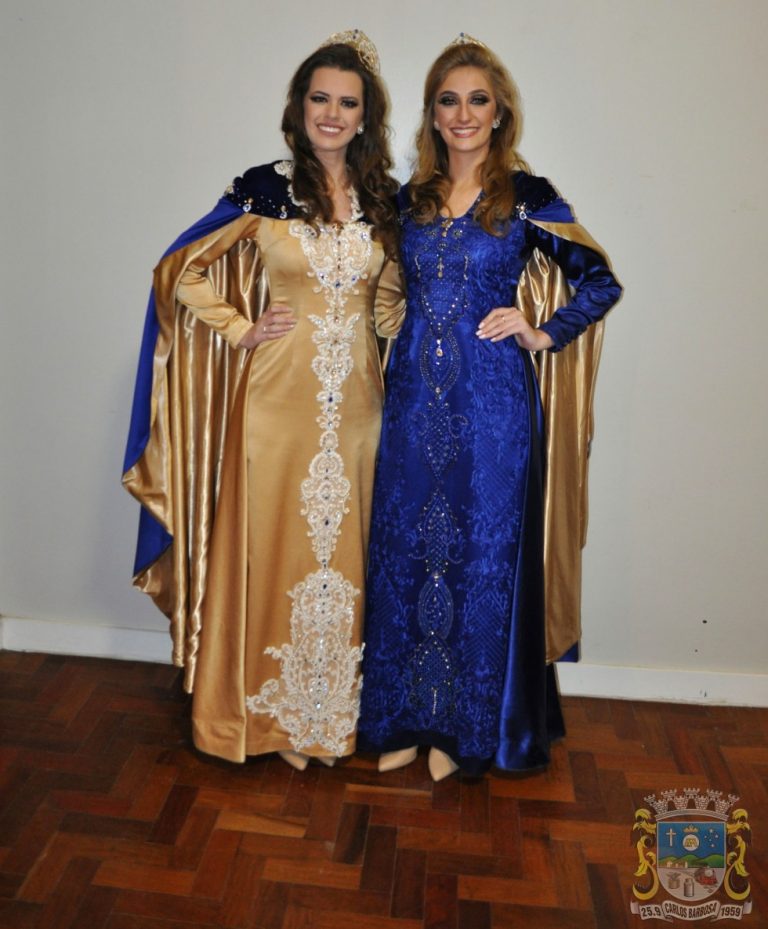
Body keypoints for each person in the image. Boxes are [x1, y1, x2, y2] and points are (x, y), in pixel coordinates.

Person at [122, 31, 404, 769]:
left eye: (348, 103)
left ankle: (327, 717)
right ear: (300, 106)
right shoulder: (264, 187)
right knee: (268, 546)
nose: (332, 114)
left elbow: (391, 304)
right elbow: (178, 269)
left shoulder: (384, 201)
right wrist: (239, 327)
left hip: (359, 409)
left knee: (343, 553)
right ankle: (257, 717)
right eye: (320, 99)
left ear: (366, 117)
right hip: (276, 401)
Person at [358, 35, 622, 780]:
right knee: (407, 553)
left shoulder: (527, 196)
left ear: (500, 111)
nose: (464, 113)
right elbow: (379, 292)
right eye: (449, 100)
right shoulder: (409, 200)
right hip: (413, 405)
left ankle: (465, 732)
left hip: (493, 407)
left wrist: (542, 330)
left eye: (478, 99)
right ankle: (405, 718)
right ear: (432, 114)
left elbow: (600, 281)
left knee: (480, 560)